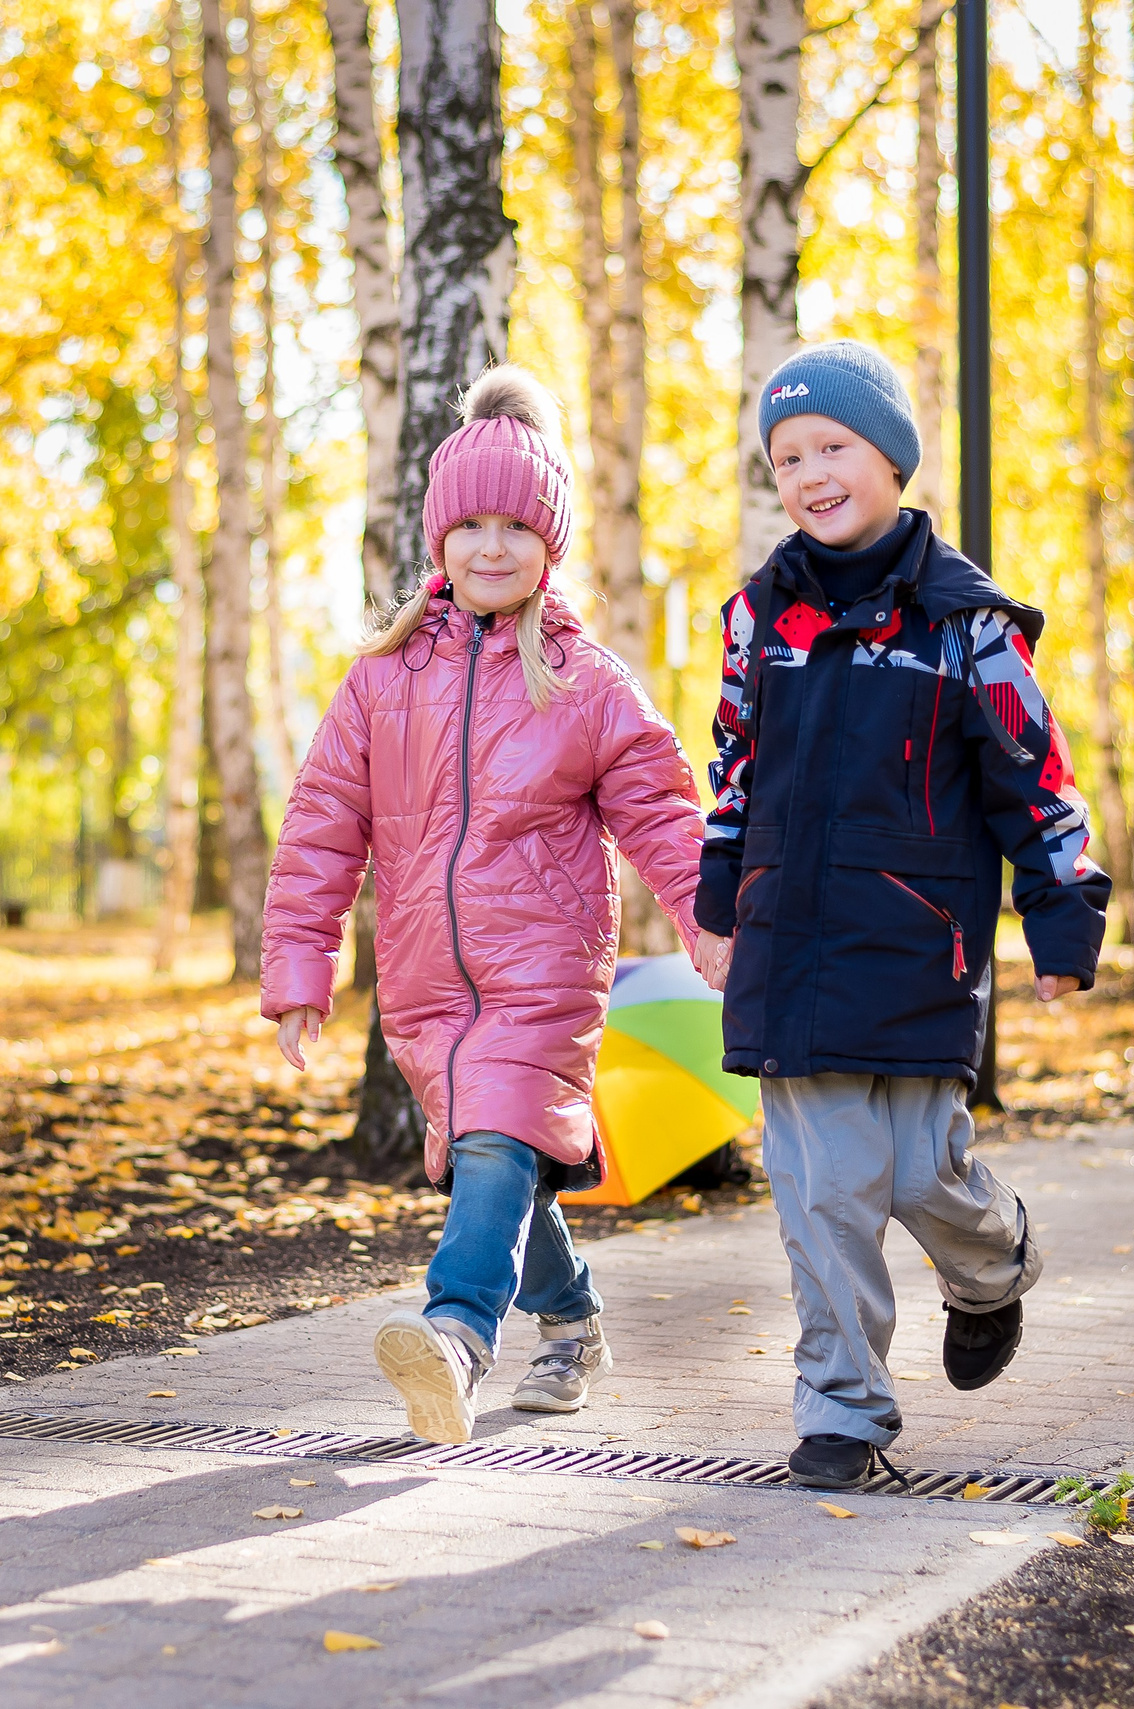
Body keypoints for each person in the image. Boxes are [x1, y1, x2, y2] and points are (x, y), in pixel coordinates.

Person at [259, 366, 708, 1446]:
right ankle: (574, 1326)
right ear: (439, 537)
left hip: (544, 969)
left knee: (502, 1137)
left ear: (550, 542)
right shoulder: (381, 679)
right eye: (470, 525)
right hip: (425, 984)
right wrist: (300, 970)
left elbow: (663, 812)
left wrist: (716, 924)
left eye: (517, 525)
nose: (491, 546)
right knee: (497, 1160)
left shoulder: (584, 680)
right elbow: (321, 826)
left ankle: (456, 1337)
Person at [693, 339, 1112, 1489]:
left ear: (890, 456)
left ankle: (991, 1265)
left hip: (919, 947)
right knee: (824, 1191)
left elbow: (1035, 777)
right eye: (786, 457)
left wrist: (1062, 916)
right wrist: (716, 900)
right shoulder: (758, 620)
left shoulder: (965, 624)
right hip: (788, 949)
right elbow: (732, 772)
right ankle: (841, 1410)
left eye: (831, 445)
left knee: (924, 1173)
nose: (809, 473)